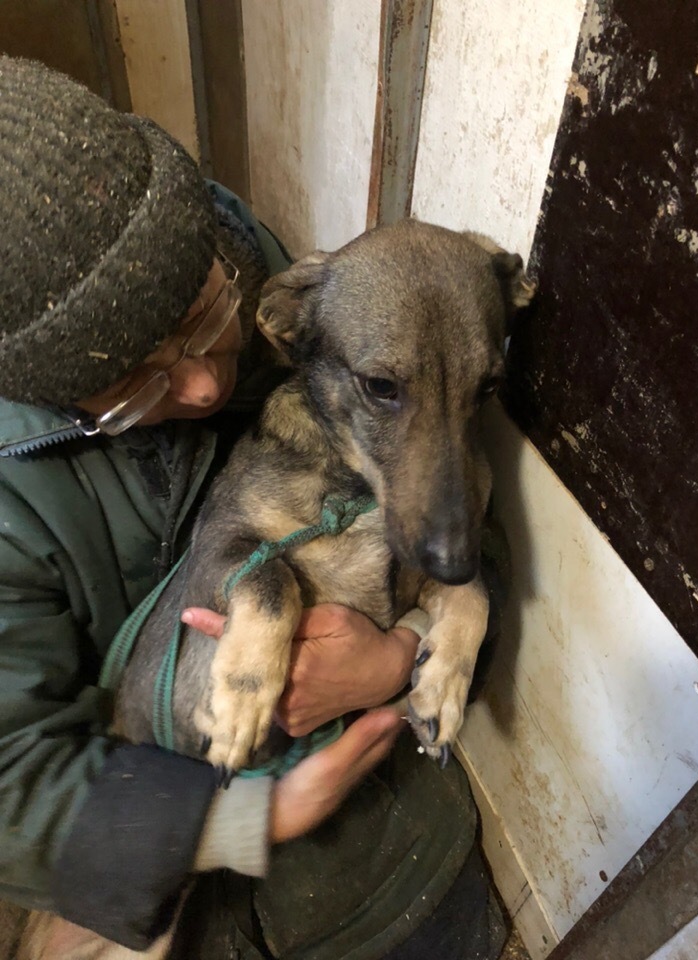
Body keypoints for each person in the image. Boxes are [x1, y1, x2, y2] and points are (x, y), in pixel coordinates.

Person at [0, 57, 505, 960]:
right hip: (132, 778)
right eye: (130, 386)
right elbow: (13, 789)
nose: (201, 384)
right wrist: (250, 818)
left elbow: (427, 501)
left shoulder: (283, 288)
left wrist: (392, 661)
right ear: (53, 398)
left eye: (200, 314)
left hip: (347, 757)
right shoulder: (10, 496)